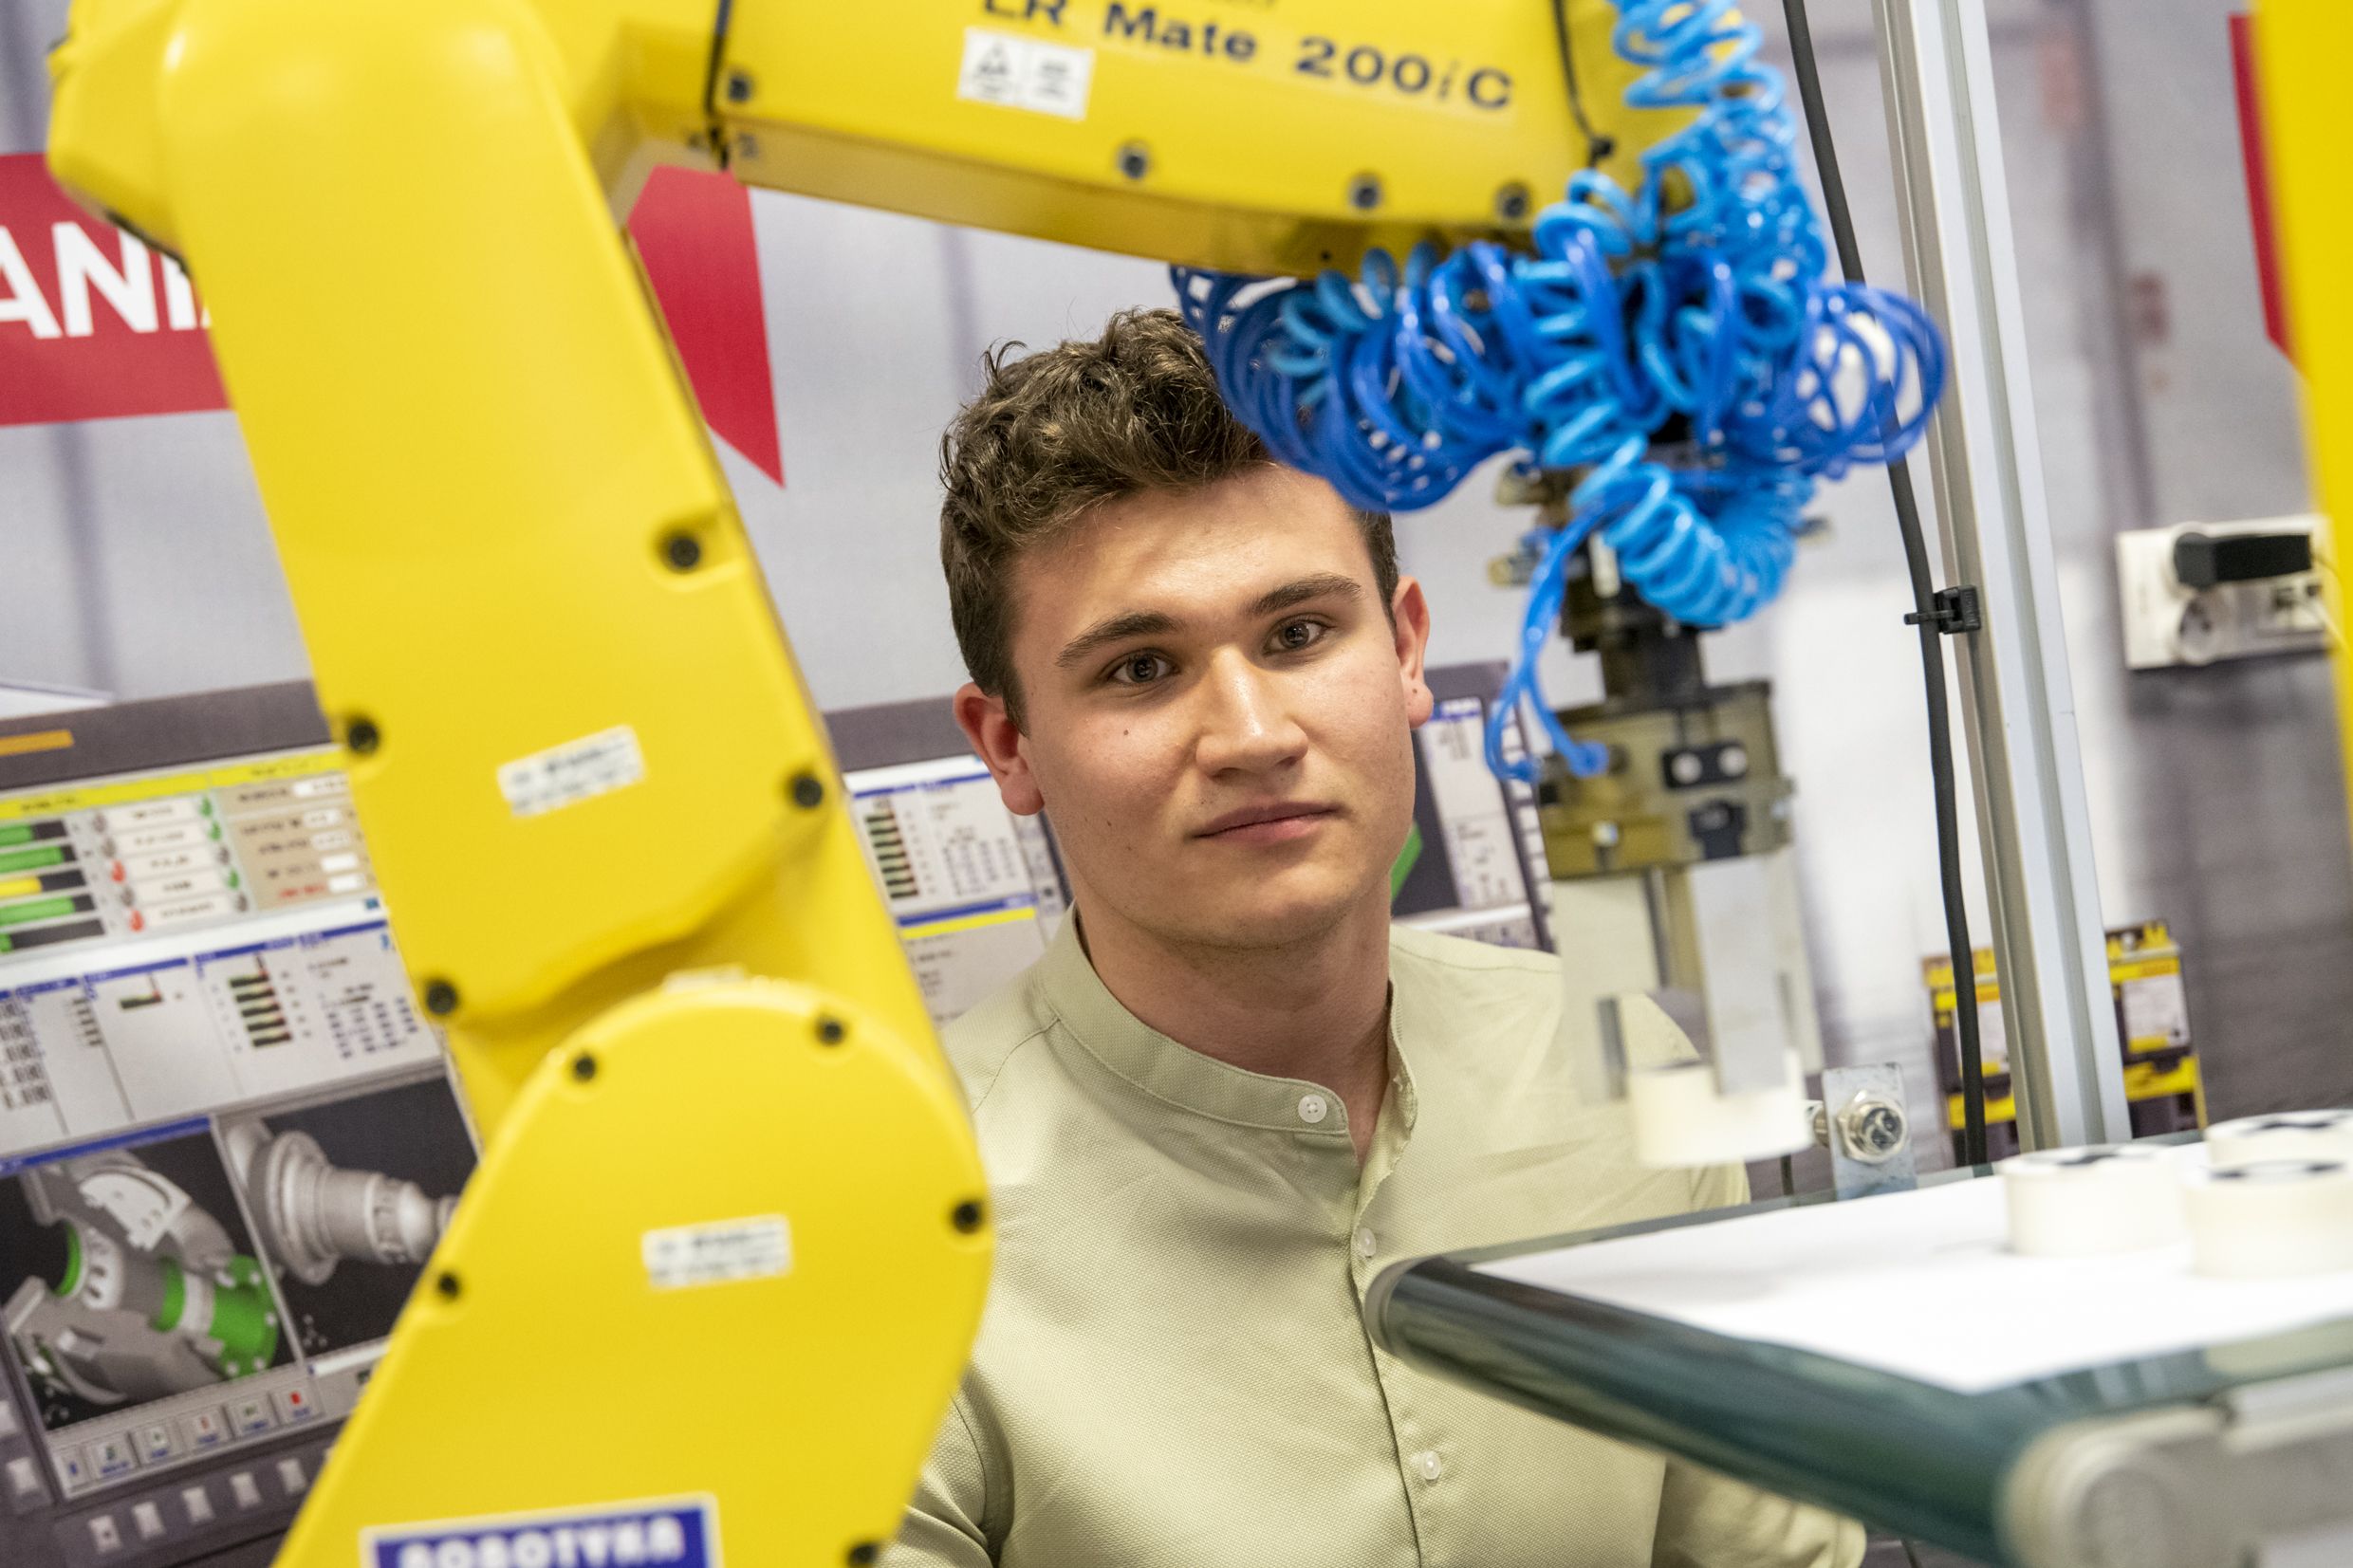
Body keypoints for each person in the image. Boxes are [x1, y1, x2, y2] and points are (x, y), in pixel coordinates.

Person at [891, 306, 1862, 1568]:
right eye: (1140, 669)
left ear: (1406, 649)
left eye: (1298, 634)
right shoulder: (906, 1225)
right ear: (1009, 744)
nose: (1252, 735)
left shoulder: (1621, 1072)